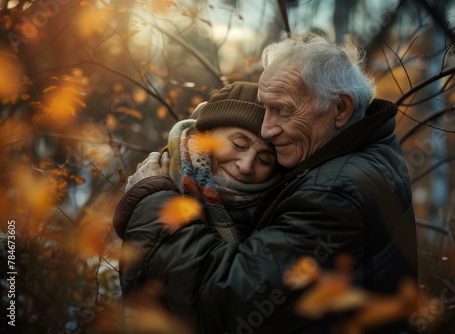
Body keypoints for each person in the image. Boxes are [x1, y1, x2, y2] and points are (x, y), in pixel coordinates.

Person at [117, 33, 418, 334]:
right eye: (266, 108)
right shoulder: (357, 160)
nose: (267, 129)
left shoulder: (336, 191)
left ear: (340, 109)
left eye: (283, 110)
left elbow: (229, 299)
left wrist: (153, 204)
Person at [113, 81, 283, 303]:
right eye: (240, 144)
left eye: (264, 159)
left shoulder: (275, 214)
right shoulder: (161, 177)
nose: (246, 165)